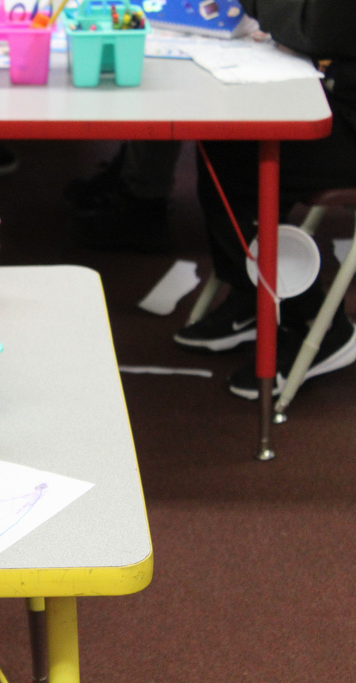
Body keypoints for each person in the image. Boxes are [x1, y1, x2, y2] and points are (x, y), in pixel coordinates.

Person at [173, 0, 356, 399]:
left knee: (241, 163)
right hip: (336, 83)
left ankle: (316, 324)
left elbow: (316, 28)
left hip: (345, 106)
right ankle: (256, 295)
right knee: (225, 146)